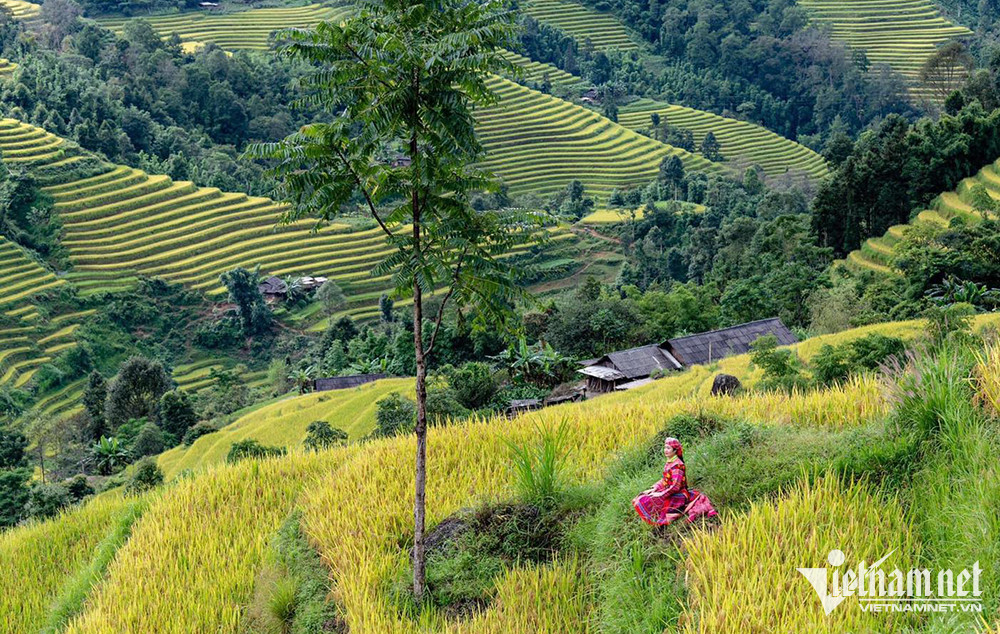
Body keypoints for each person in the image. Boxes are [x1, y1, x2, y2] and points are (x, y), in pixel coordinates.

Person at [632, 436, 717, 526]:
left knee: (652, 500)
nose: (665, 450)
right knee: (642, 497)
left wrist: (661, 494)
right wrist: (654, 488)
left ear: (675, 450)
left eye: (668, 448)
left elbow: (676, 486)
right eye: (665, 447)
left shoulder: (677, 465)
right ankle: (656, 517)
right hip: (669, 490)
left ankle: (664, 518)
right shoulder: (669, 462)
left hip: (678, 494)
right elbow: (665, 479)